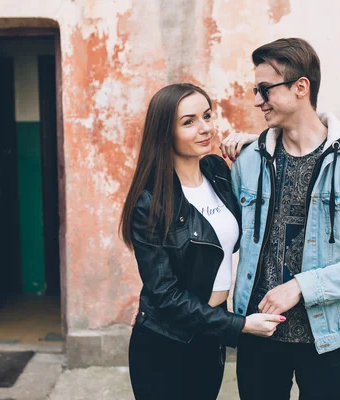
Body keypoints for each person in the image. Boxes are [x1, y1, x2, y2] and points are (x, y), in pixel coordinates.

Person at [221, 38, 340, 400]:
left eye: (265, 90)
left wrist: (302, 286)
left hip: (327, 336)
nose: (258, 101)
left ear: (300, 87)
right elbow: (220, 239)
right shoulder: (249, 161)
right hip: (259, 333)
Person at [119, 83, 283, 400]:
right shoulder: (150, 201)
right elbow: (165, 294)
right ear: (165, 133)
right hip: (165, 340)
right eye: (189, 121)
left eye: (206, 116)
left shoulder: (216, 170)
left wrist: (256, 142)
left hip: (210, 336)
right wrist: (240, 325)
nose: (204, 128)